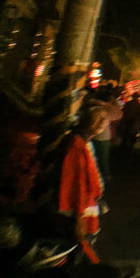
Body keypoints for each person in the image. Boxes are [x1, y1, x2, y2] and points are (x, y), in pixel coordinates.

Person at [58, 103, 109, 243]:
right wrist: (79, 216)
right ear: (95, 124)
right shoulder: (77, 145)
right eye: (103, 123)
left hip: (86, 204)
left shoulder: (83, 142)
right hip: (80, 208)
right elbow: (76, 183)